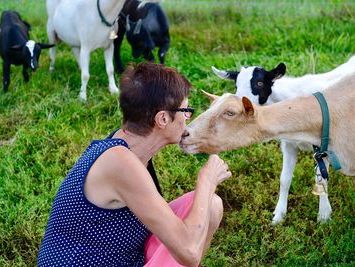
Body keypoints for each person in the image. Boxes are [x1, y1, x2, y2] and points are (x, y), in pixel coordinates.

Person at [37, 62, 232, 266]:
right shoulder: (120, 163)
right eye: (186, 110)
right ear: (163, 118)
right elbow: (189, 253)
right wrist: (206, 180)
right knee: (199, 215)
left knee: (211, 205)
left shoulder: (125, 147)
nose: (187, 118)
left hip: (123, 258)